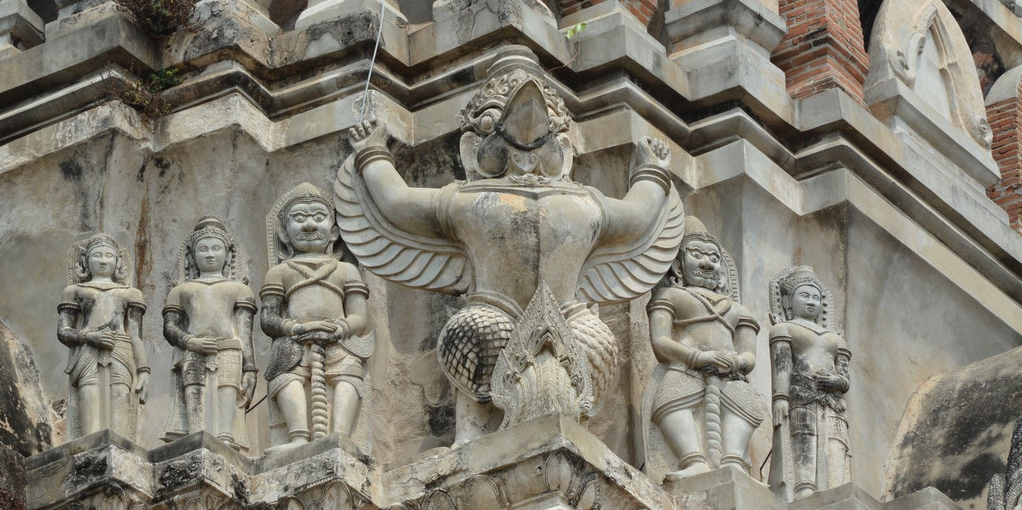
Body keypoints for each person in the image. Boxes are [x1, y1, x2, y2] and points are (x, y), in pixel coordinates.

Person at [338, 54, 685, 443]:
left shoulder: (586, 204)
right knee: (475, 330)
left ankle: (574, 428)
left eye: (548, 128)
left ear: (563, 146)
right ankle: (470, 433)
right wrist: (372, 153)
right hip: (492, 313)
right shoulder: (467, 200)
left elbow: (639, 218)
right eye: (492, 122)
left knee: (594, 342)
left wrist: (652, 171)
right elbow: (396, 203)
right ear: (473, 147)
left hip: (572, 320)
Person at [643, 218, 764, 480]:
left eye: (713, 258)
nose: (707, 263)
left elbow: (749, 354)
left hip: (730, 375)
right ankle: (693, 459)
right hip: (684, 368)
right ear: (677, 265)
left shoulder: (738, 310)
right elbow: (660, 341)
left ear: (722, 271)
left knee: (745, 409)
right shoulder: (669, 296)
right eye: (696, 255)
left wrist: (737, 362)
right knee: (669, 404)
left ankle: (732, 459)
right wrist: (696, 356)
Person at [260, 183, 374, 449]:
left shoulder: (346, 270)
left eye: (318, 217)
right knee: (284, 375)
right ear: (285, 234)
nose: (309, 225)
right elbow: (268, 319)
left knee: (349, 373)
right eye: (299, 219)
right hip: (295, 340)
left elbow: (360, 316)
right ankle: (298, 435)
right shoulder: (279, 272)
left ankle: (341, 436)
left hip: (339, 341)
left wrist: (339, 329)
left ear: (333, 232)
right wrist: (295, 328)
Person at [162, 216, 257, 450]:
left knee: (228, 391)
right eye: (203, 249)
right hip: (193, 350)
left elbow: (244, 335)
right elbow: (170, 327)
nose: (210, 254)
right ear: (193, 255)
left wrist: (250, 369)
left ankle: (226, 439)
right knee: (194, 394)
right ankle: (195, 441)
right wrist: (190, 342)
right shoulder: (181, 290)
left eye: (216, 248)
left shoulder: (239, 289)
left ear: (228, 254)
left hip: (229, 350)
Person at [768, 266, 850, 500]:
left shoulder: (836, 339)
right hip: (800, 395)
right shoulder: (783, 329)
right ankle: (804, 487)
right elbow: (782, 367)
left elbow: (845, 379)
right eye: (804, 295)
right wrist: (780, 398)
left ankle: (835, 488)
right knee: (804, 436)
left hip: (833, 402)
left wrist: (836, 381)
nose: (812, 302)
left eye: (816, 297)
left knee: (836, 442)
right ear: (786, 301)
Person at [57, 234, 149, 440]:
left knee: (120, 407)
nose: (103, 260)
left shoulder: (131, 293)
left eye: (109, 256)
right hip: (87, 352)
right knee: (90, 415)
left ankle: (119, 448)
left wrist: (143, 370)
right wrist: (88, 337)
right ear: (85, 261)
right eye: (97, 255)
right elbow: (63, 331)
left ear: (118, 262)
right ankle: (89, 454)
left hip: (121, 351)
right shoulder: (74, 290)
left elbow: (136, 335)